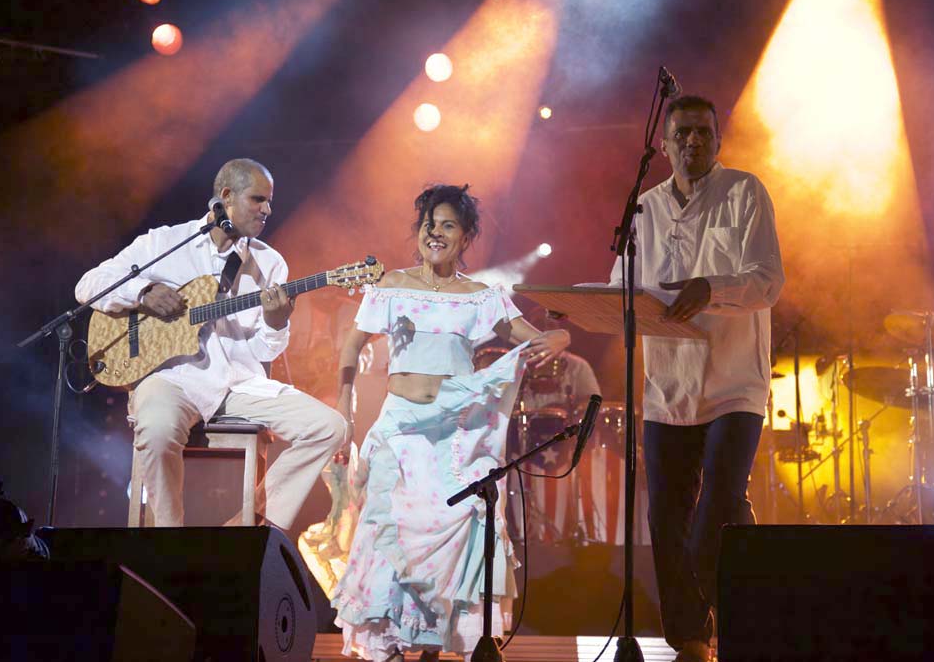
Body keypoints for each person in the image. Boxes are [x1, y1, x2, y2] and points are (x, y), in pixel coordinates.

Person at [330, 184, 570, 662]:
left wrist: (559, 335)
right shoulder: (391, 287)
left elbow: (533, 337)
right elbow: (352, 345)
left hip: (457, 432)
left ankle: (432, 643)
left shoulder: (481, 298)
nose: (435, 233)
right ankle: (393, 641)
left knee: (460, 519)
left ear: (465, 239)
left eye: (447, 226)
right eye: (428, 224)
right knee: (390, 528)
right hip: (401, 427)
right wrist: (344, 400)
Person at [75, 158, 347, 528]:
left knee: (330, 427)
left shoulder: (270, 264)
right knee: (155, 428)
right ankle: (168, 538)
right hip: (172, 378)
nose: (267, 210)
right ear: (226, 197)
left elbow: (265, 351)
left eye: (269, 202)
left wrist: (276, 322)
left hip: (238, 384)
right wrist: (144, 291)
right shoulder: (165, 243)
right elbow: (89, 284)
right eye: (257, 200)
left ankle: (249, 524)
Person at [608, 95, 784, 662]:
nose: (692, 142)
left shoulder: (745, 192)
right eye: (681, 133)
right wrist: (580, 307)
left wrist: (712, 286)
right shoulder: (644, 209)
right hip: (666, 389)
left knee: (717, 511)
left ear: (719, 140)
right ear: (663, 145)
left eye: (703, 133)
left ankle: (746, 615)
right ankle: (690, 641)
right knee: (666, 519)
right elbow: (621, 287)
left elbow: (767, 280)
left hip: (735, 384)